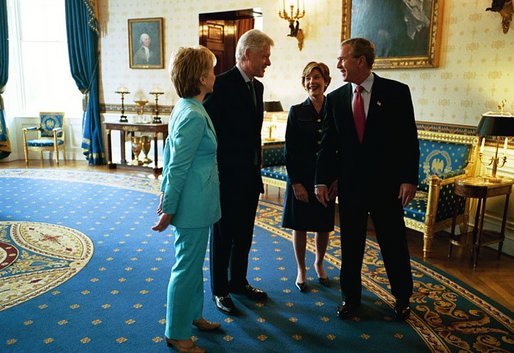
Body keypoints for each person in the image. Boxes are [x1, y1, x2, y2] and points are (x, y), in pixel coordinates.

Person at [315, 38, 419, 321]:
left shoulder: (396, 92)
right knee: (351, 244)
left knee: (393, 242)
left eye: (342, 59)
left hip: (387, 186)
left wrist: (409, 178)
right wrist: (322, 180)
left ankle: (402, 297)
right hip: (351, 186)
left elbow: (408, 139)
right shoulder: (335, 99)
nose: (338, 65)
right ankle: (350, 298)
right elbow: (327, 144)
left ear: (361, 61)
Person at [152, 46, 220, 353]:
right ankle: (176, 333)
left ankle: (193, 315)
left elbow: (170, 157)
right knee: (186, 267)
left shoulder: (188, 106)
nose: (215, 75)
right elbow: (176, 165)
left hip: (197, 201)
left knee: (193, 265)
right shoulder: (191, 113)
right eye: (213, 70)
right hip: (191, 205)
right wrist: (168, 206)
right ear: (202, 77)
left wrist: (167, 195)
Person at [203, 29, 274, 315]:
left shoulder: (257, 88)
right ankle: (220, 290)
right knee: (223, 236)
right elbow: (209, 136)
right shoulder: (219, 86)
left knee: (244, 234)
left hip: (249, 177)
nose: (268, 62)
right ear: (247, 54)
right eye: (265, 56)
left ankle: (238, 281)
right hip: (225, 178)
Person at [281, 61, 337, 293]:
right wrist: (296, 183)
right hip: (301, 179)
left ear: (326, 81)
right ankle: (302, 269)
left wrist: (336, 179)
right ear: (304, 83)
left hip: (326, 178)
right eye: (307, 78)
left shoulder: (334, 109)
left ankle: (319, 263)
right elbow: (289, 150)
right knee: (301, 225)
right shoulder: (297, 111)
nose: (312, 82)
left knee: (323, 225)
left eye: (316, 77)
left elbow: (339, 147)